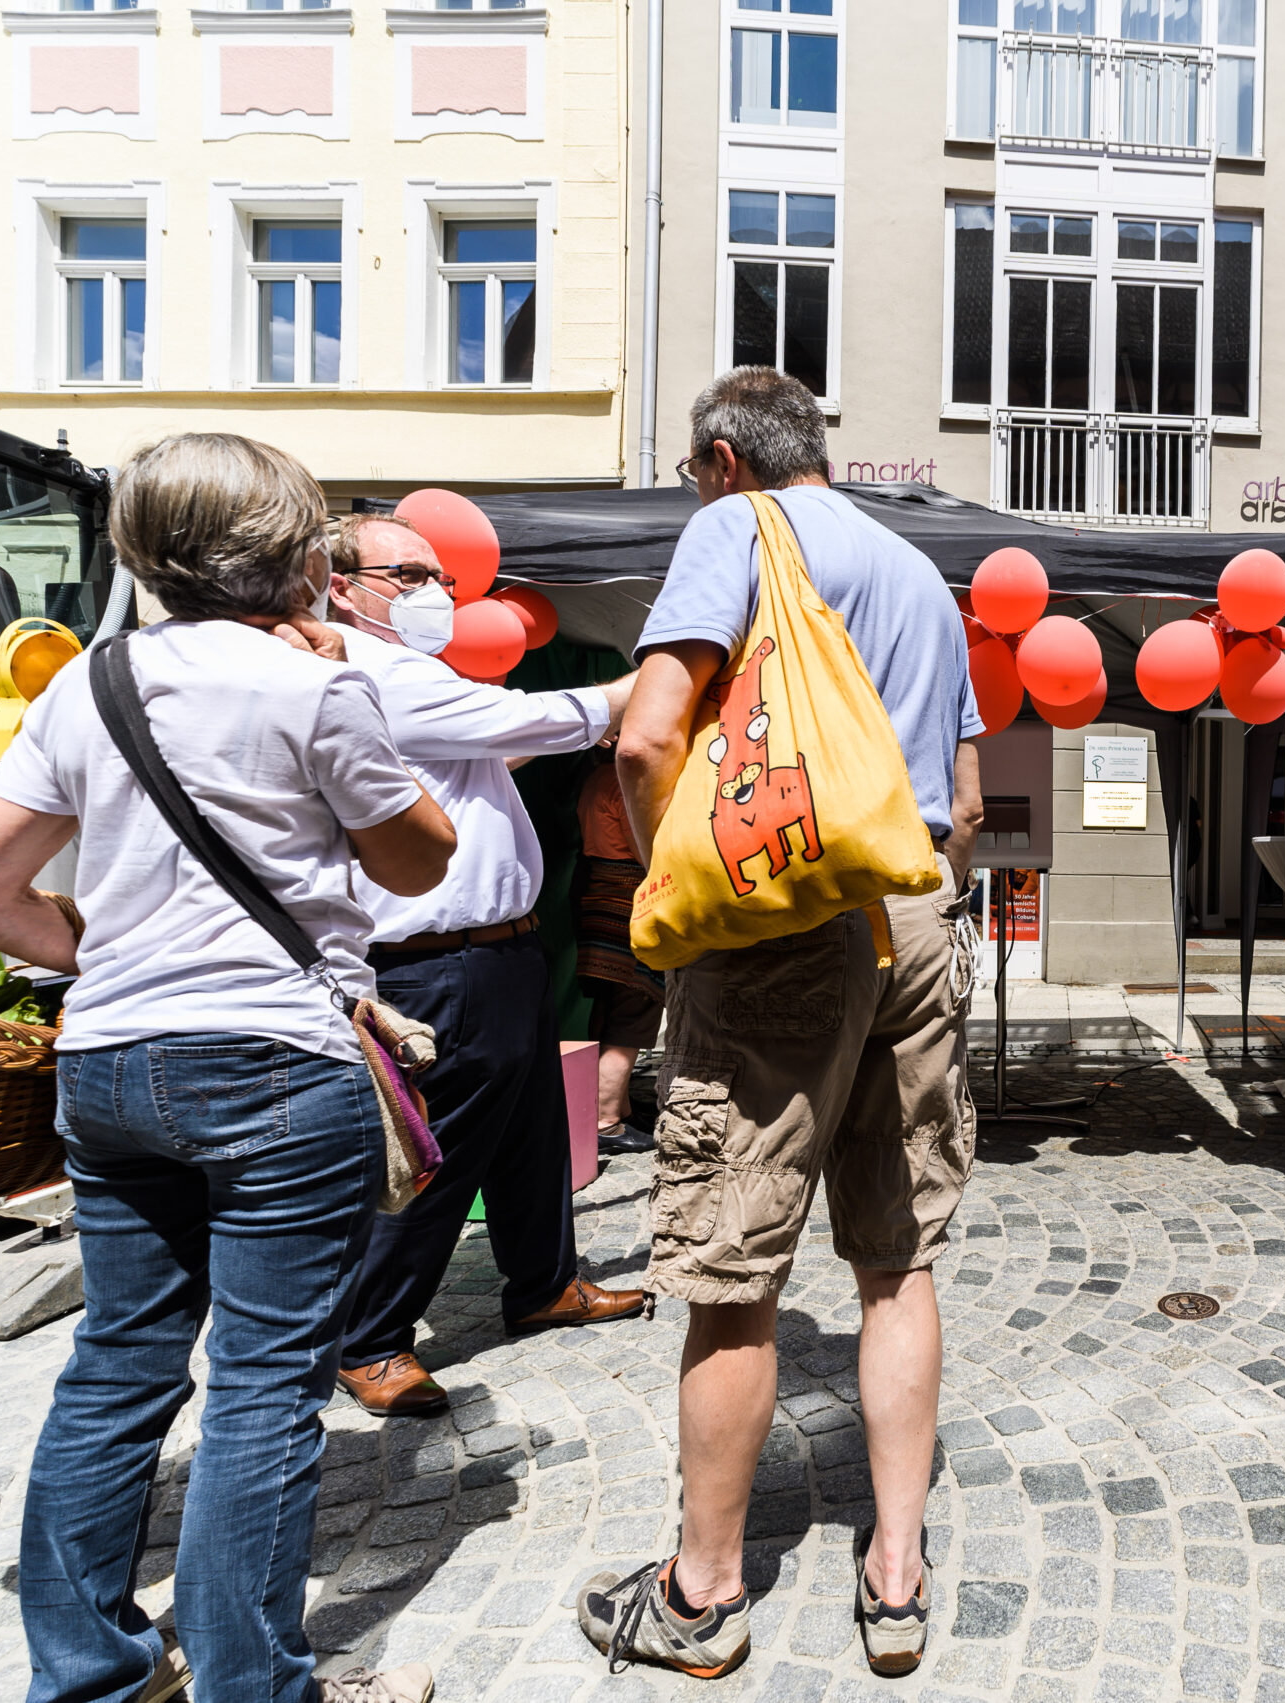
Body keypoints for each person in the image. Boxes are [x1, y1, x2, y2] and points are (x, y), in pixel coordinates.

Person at [0, 434, 453, 1703]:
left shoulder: (91, 683)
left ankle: (93, 1671)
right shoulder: (313, 688)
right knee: (265, 1386)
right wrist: (356, 696)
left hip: (110, 1062)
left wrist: (99, 951)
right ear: (290, 552)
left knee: (117, 1361)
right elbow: (418, 860)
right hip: (274, 1059)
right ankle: (252, 1682)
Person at [577, 367, 984, 1682]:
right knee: (898, 1254)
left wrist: (670, 891)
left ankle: (700, 1596)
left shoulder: (736, 528)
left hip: (779, 917)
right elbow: (965, 798)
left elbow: (648, 739)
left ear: (719, 457)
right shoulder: (922, 574)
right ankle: (899, 1573)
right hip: (919, 911)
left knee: (733, 1265)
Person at [321, 513, 647, 1419]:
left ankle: (543, 1281)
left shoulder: (415, 673)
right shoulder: (367, 671)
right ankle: (372, 1337)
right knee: (443, 1148)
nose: (432, 590)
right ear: (342, 584)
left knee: (534, 1131)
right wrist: (643, 684)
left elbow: (494, 743)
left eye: (438, 575)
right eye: (407, 574)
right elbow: (530, 714)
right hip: (436, 959)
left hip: (500, 947)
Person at [575, 753, 663, 1151]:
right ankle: (606, 1120)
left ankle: (620, 1108)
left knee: (611, 1008)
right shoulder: (619, 779)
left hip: (598, 893)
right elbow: (644, 846)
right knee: (634, 1008)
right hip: (628, 897)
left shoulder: (593, 778)